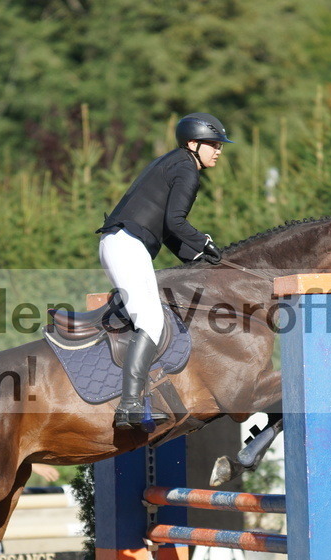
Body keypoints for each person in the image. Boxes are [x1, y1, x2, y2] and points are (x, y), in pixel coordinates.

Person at [96, 112, 232, 430]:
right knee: (152, 322)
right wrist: (206, 243)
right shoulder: (187, 168)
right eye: (213, 144)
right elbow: (176, 223)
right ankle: (129, 405)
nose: (219, 150)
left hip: (120, 243)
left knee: (149, 320)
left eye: (220, 145)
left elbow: (169, 231)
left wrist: (198, 258)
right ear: (193, 143)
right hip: (127, 245)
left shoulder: (174, 162)